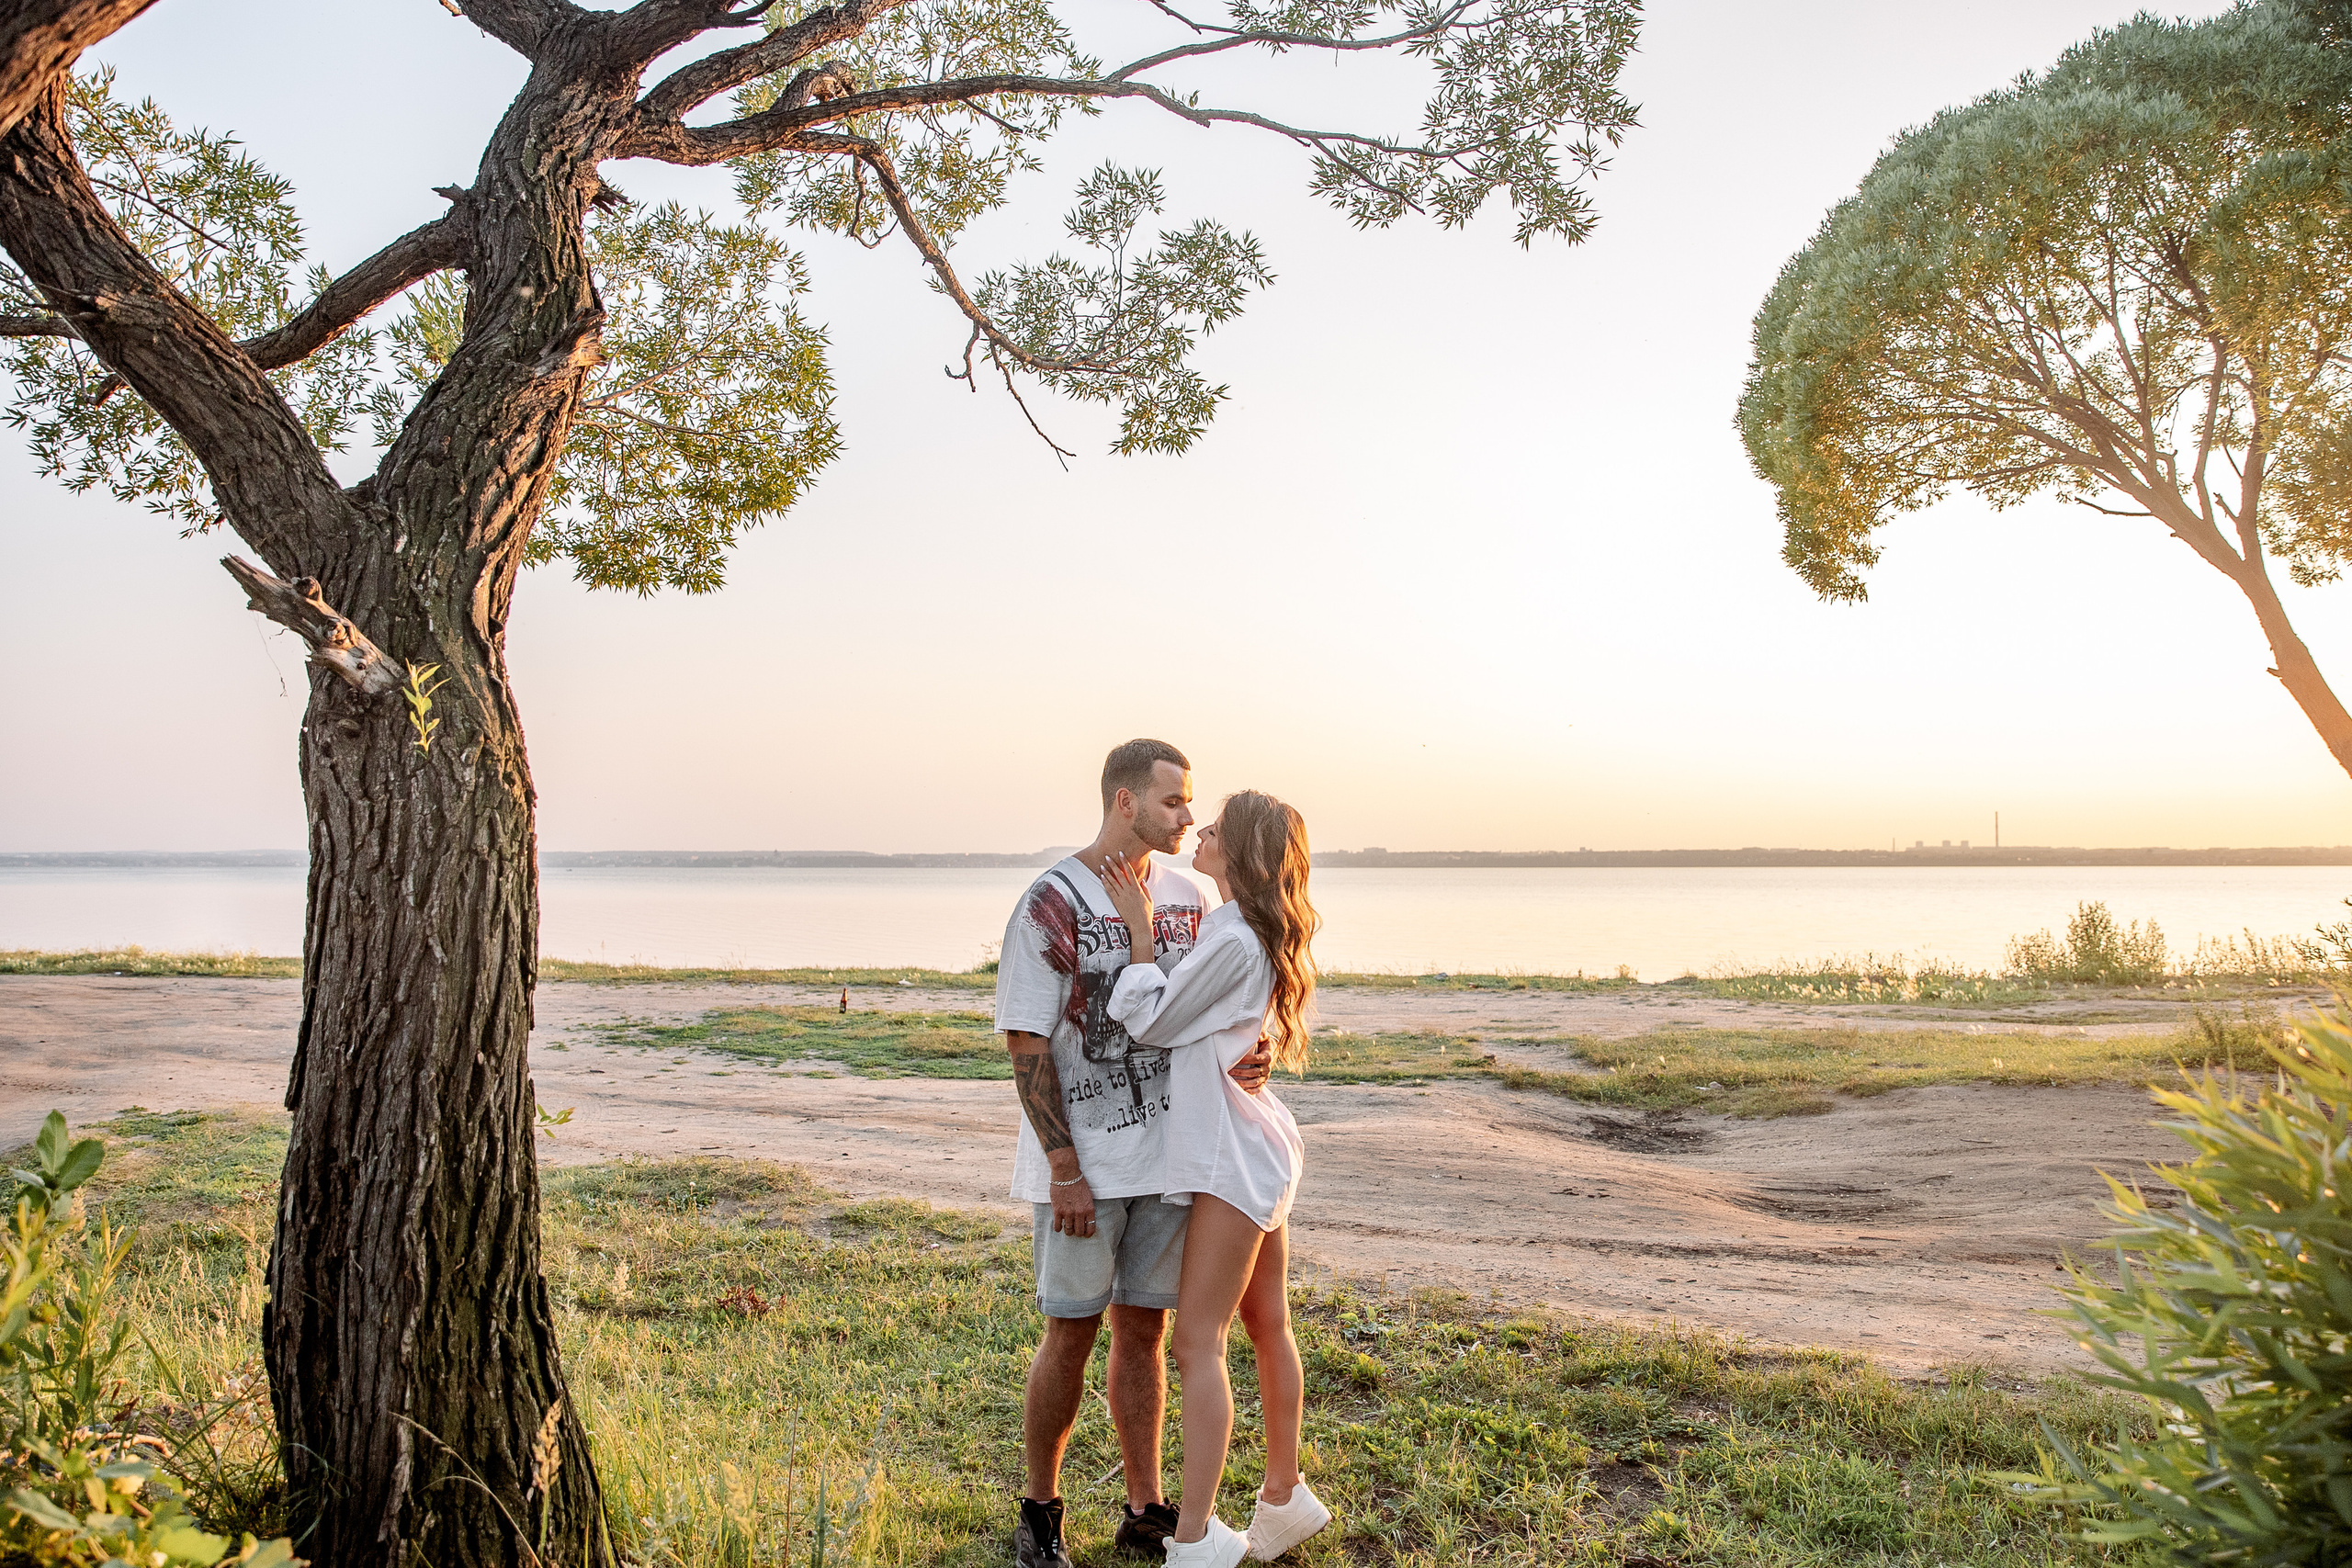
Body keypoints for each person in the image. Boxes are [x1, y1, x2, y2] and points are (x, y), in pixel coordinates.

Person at [996, 739, 1273, 1568]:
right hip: (1086, 1166)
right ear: (1126, 802)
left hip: (1173, 1159)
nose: (1189, 816)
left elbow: (1221, 999)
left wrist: (1253, 1051)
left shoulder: (1192, 894)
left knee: (1145, 1333)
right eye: (1173, 800)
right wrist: (1064, 1168)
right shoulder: (1052, 900)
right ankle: (1040, 1512)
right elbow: (1025, 1041)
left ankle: (1145, 1508)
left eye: (1191, 803)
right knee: (1070, 1333)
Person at [1099, 789, 1330, 1568]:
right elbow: (1219, 1025)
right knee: (1268, 1324)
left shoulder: (1233, 937)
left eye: (1218, 827)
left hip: (1233, 1156)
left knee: (1198, 1342)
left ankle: (1195, 1535)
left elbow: (1153, 1020)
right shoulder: (1241, 928)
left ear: (1246, 851)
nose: (1201, 829)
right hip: (1255, 1146)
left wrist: (1138, 932)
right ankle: (1283, 1492)